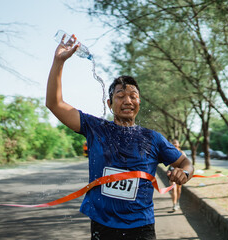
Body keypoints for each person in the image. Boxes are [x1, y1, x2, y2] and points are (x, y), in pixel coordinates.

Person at [46, 35, 194, 240]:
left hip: (141, 227)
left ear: (139, 103)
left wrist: (184, 173)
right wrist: (59, 61)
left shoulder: (152, 138)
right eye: (120, 96)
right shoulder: (95, 128)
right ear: (109, 103)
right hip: (102, 225)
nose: (127, 100)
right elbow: (54, 103)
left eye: (133, 96)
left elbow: (185, 162)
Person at [167, 139, 185, 211]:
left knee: (178, 189)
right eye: (173, 143)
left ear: (179, 145)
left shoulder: (182, 153)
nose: (175, 145)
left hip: (179, 173)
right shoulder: (169, 153)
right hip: (172, 173)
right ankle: (174, 204)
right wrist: (168, 171)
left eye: (176, 143)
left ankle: (177, 202)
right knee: (173, 189)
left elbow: (185, 163)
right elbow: (168, 163)